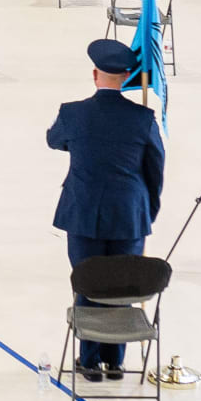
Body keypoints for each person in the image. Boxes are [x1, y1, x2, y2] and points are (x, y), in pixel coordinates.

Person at [46, 39, 165, 382]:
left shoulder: (73, 113)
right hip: (129, 214)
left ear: (95, 74)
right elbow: (155, 170)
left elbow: (54, 140)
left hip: (82, 212)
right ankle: (115, 361)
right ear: (127, 76)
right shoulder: (143, 118)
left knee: (88, 285)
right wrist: (147, 210)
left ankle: (89, 360)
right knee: (122, 287)